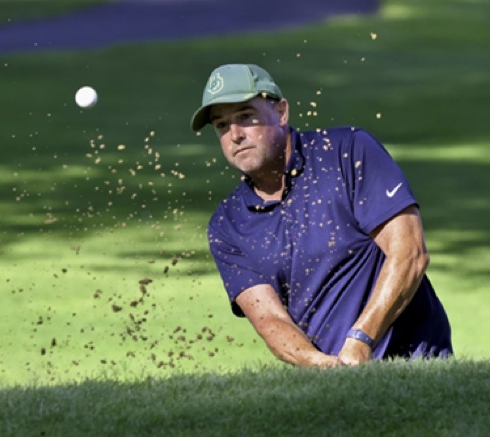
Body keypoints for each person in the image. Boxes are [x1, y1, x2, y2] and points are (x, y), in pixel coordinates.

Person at [190, 63, 453, 367]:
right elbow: (270, 319)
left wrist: (361, 340)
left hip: (416, 365)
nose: (234, 135)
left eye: (246, 116)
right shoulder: (228, 224)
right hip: (336, 376)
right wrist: (321, 365)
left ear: (281, 112)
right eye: (221, 125)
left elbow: (409, 253)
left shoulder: (347, 152)